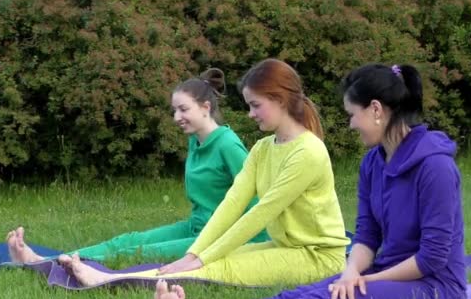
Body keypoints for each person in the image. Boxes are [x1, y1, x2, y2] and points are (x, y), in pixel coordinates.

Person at [151, 63, 467, 299]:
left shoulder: (435, 166)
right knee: (296, 295)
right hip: (386, 271)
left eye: (352, 114)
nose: (350, 124)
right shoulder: (373, 162)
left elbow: (432, 258)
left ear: (375, 110)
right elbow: (367, 235)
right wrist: (353, 271)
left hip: (436, 289)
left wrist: (364, 281)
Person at [59, 58, 351, 287]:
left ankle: (108, 280)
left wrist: (200, 257)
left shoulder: (308, 152)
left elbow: (261, 212)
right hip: (284, 246)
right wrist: (194, 254)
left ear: (280, 100)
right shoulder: (263, 148)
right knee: (209, 260)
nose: (250, 114)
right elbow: (232, 203)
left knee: (217, 267)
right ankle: (113, 275)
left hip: (318, 258)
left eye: (255, 105)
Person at [5, 68, 269, 264]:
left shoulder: (228, 145)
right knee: (129, 240)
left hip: (218, 238)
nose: (177, 117)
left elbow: (254, 199)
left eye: (183, 109)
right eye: (174, 110)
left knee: (138, 254)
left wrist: (242, 244)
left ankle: (47, 264)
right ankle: (61, 258)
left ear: (205, 107)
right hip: (196, 227)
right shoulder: (195, 142)